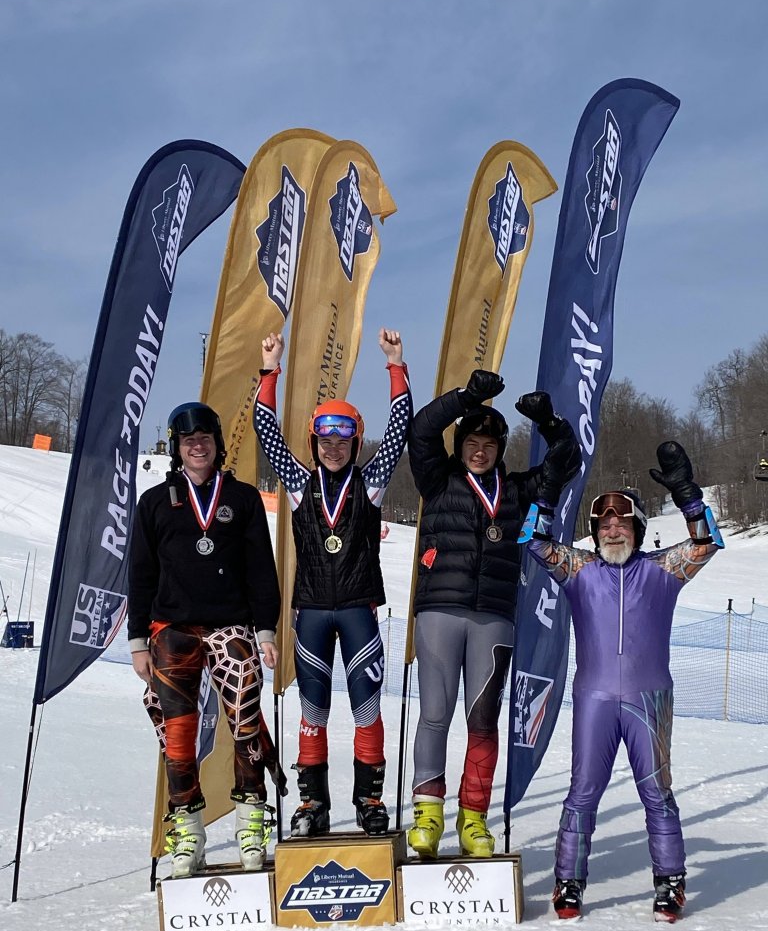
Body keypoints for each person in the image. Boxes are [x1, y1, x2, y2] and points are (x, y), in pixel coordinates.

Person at [525, 441, 722, 922]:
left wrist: (687, 495)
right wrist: (547, 491)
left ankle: (669, 884)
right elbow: (530, 539)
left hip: (647, 698)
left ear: (638, 528)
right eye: (604, 523)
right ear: (594, 533)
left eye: (623, 520)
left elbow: (705, 543)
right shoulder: (580, 571)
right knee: (582, 792)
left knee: (657, 793)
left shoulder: (661, 571)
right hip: (594, 698)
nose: (613, 527)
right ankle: (568, 883)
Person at [406, 370, 580, 859]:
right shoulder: (437, 480)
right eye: (471, 441)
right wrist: (466, 397)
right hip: (440, 610)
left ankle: (474, 820)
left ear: (501, 448)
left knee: (483, 722)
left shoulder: (519, 491)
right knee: (435, 715)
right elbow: (420, 430)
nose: (479, 451)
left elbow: (567, 462)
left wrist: (549, 423)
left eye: (489, 443)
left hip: (494, 618)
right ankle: (427, 815)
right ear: (460, 445)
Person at [254, 328, 411, 838]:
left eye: (343, 440)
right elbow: (264, 429)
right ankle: (311, 806)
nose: (334, 448)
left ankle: (370, 801)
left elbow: (400, 428)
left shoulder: (373, 480)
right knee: (312, 712)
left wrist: (395, 365)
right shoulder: (299, 483)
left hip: (360, 609)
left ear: (354, 440)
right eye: (325, 440)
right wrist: (270, 370)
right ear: (314, 442)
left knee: (367, 708)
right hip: (313, 612)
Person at [128, 402, 283, 878]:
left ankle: (251, 825)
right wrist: (137, 641)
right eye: (189, 440)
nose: (198, 446)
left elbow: (261, 569)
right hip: (171, 630)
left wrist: (266, 630)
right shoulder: (155, 501)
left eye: (206, 439)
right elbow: (140, 572)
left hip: (230, 626)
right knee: (178, 736)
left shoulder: (243, 497)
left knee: (246, 723)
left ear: (218, 444)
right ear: (178, 447)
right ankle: (188, 833)